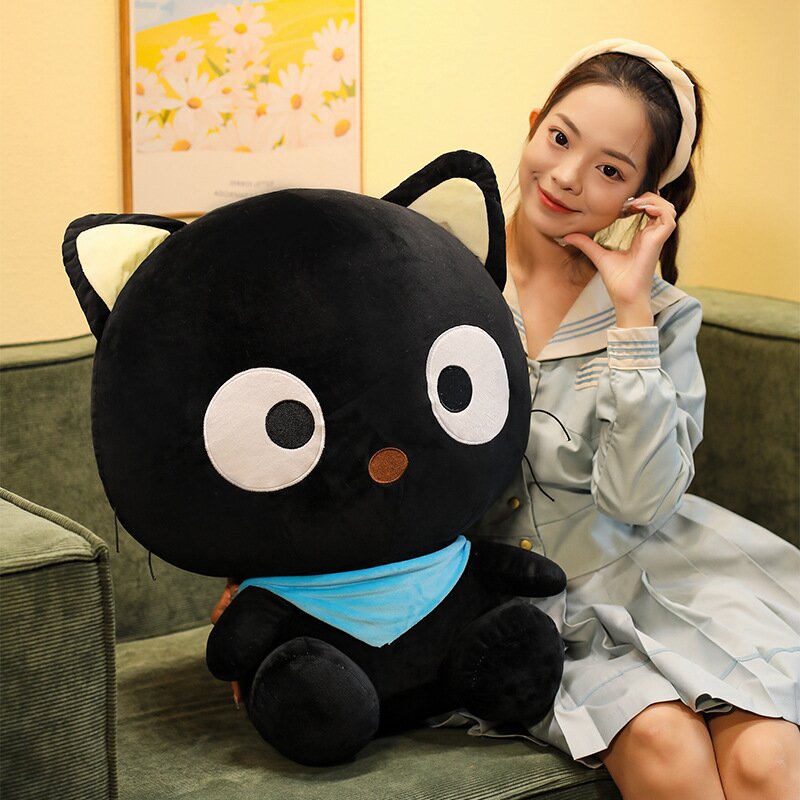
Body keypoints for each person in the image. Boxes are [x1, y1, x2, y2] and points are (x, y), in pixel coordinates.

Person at [462, 39, 800, 799]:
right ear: (534, 124)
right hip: (522, 606)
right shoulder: (440, 279)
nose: (568, 177)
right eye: (560, 138)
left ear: (646, 200)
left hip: (662, 574)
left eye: (611, 171)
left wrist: (630, 310)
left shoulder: (662, 317)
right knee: (663, 745)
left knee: (767, 760)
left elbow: (637, 501)